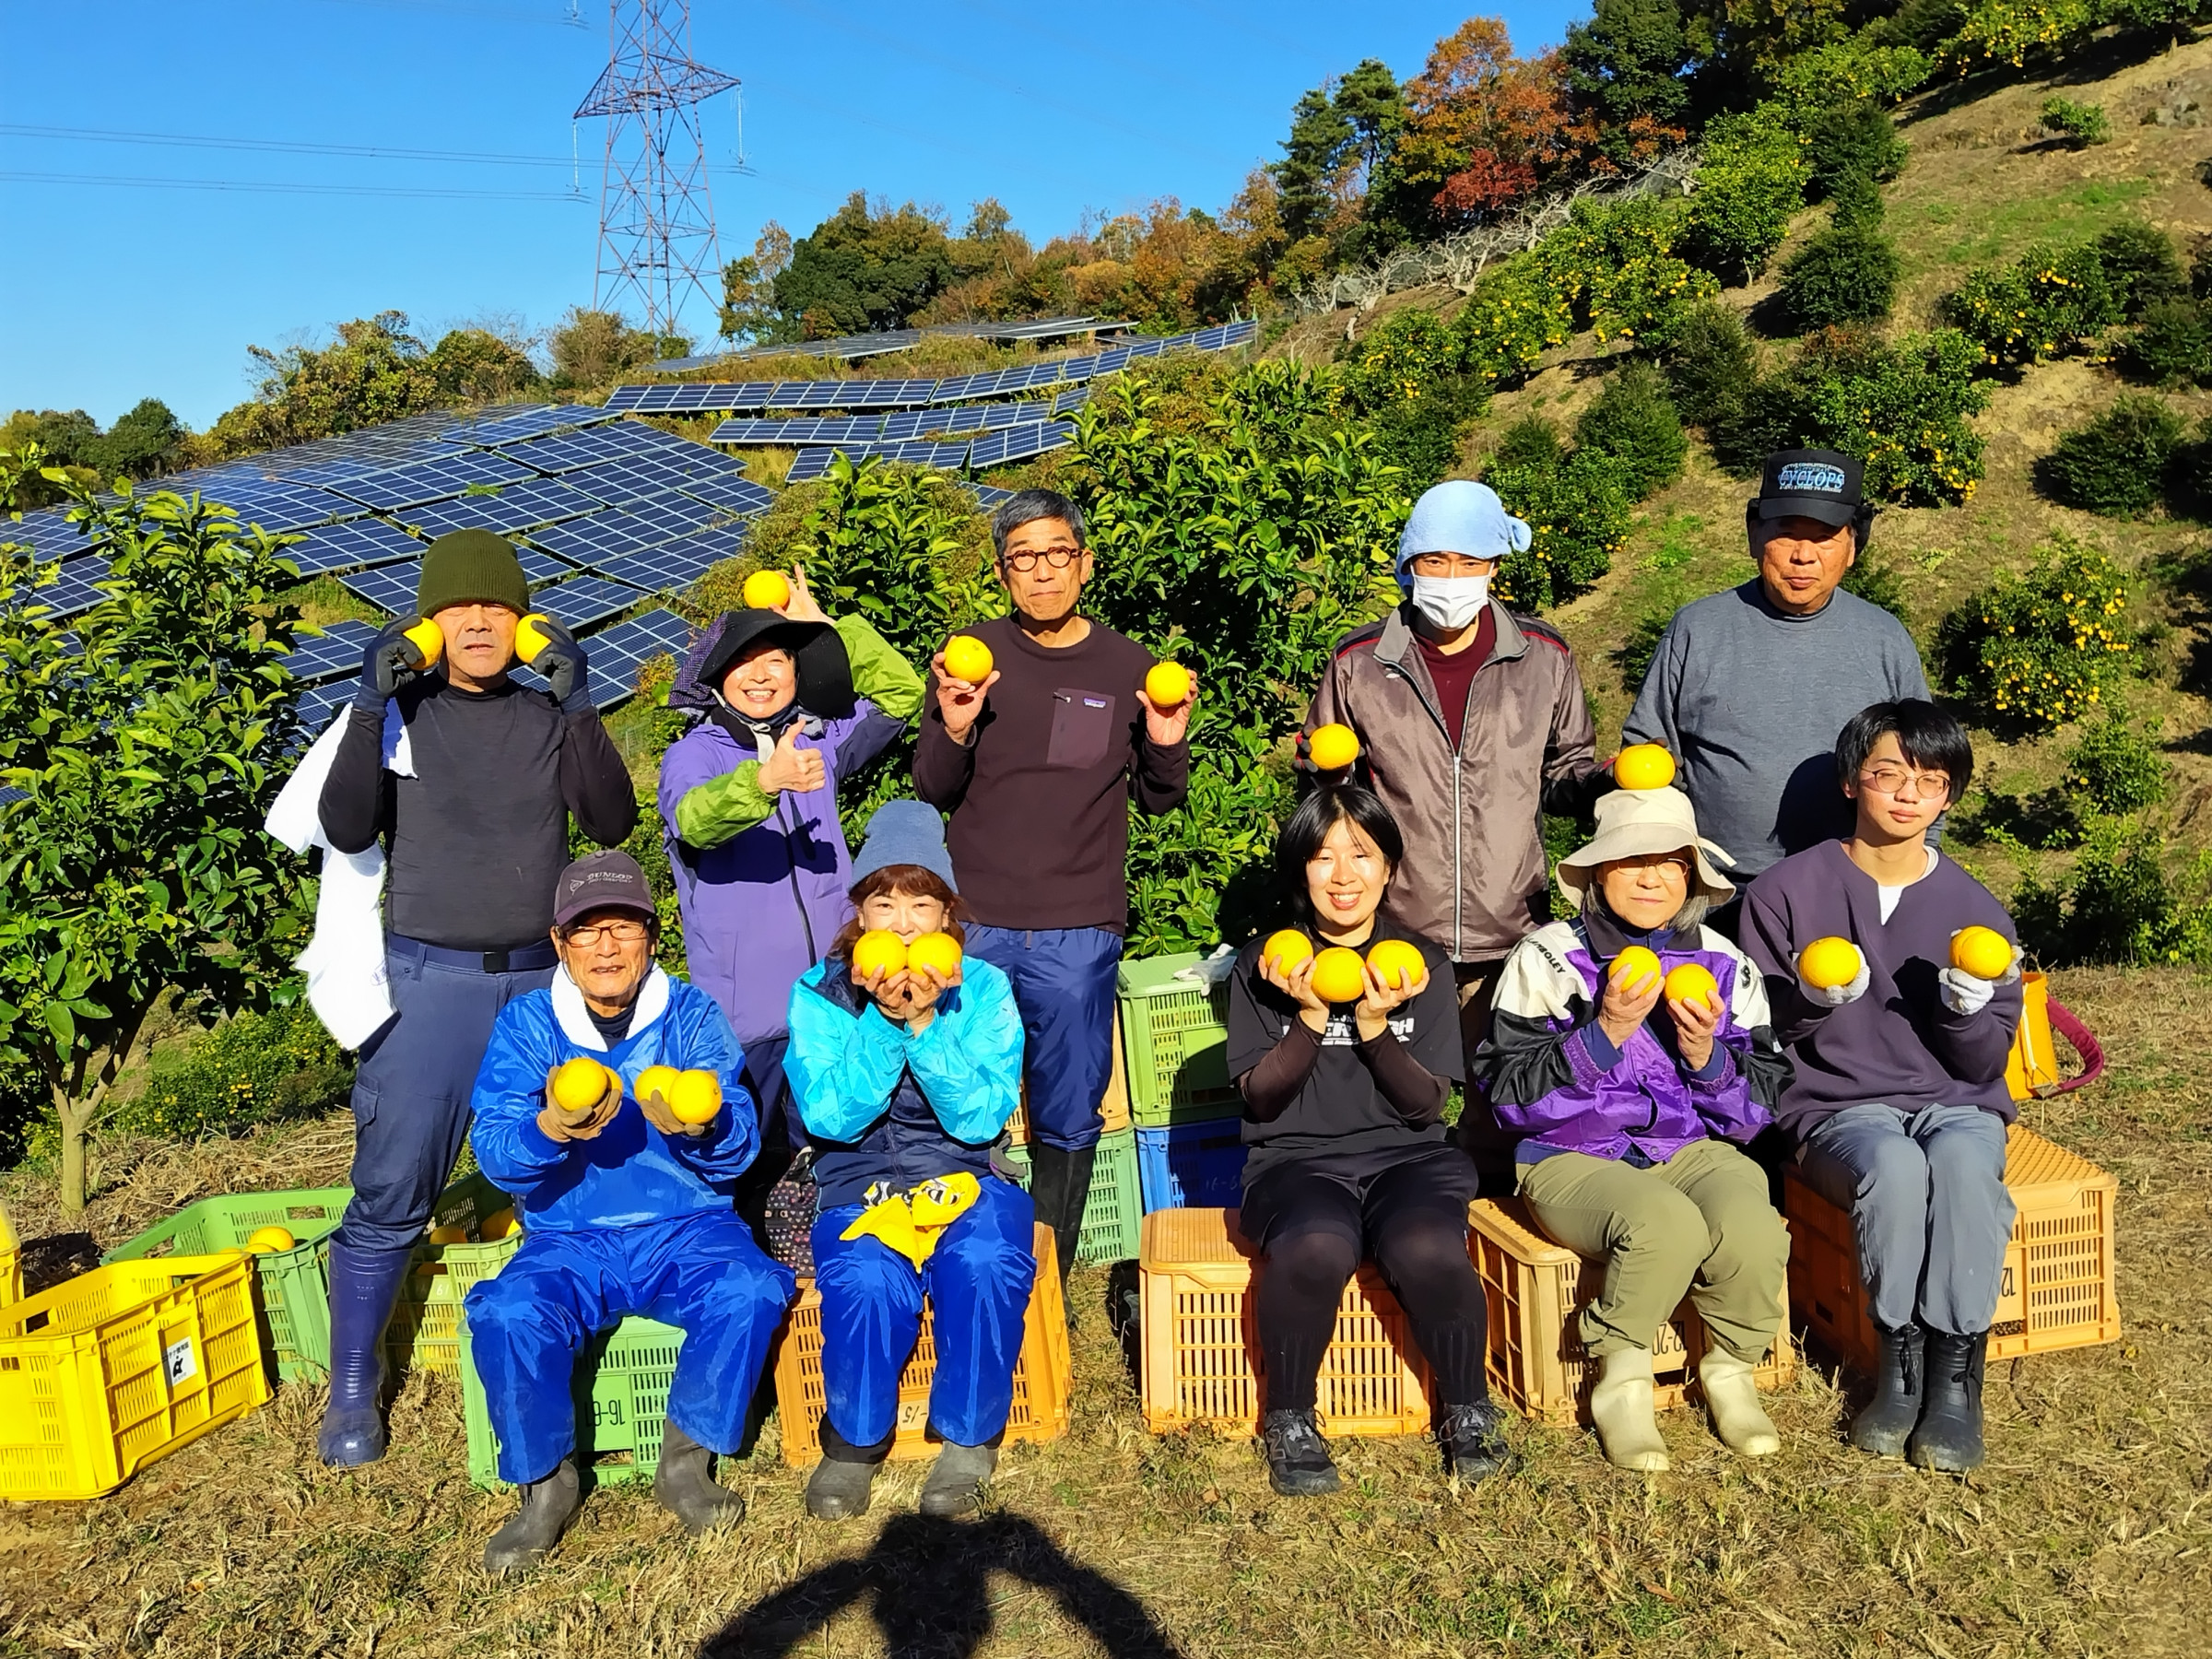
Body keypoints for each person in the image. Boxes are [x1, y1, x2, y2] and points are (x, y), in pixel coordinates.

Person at [314, 528, 637, 1465]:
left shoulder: (545, 717)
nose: (480, 621)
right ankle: (352, 1389)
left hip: (542, 985)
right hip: (428, 986)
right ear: (430, 621)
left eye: (499, 606)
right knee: (394, 1185)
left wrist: (578, 702)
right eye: (460, 607)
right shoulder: (401, 713)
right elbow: (344, 824)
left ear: (526, 621)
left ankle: (565, 1358)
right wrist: (370, 699)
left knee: (571, 1173)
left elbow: (611, 822)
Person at [463, 851, 795, 1572]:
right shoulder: (527, 1026)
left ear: (651, 937)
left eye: (622, 926)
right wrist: (548, 1126)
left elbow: (737, 1140)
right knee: (506, 1311)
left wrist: (702, 1129)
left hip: (688, 1227)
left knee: (750, 1288)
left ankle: (686, 1458)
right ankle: (546, 1485)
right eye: (586, 930)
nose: (605, 945)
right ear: (559, 944)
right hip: (569, 1235)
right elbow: (492, 1149)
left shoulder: (693, 1015)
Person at [912, 488, 1194, 1300]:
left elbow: (1160, 798)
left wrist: (1167, 744)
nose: (1042, 572)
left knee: (1069, 1108)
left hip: (1079, 928)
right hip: (976, 927)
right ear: (1003, 574)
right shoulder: (971, 656)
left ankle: (1043, 1277)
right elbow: (933, 784)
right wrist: (956, 721)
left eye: (1056, 554)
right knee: (958, 1097)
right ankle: (959, 1264)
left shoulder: (1129, 666)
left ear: (1086, 563)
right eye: (1023, 558)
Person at [1742, 700, 2023, 1472]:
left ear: (1948, 799)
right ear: (1850, 782)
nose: (1907, 794)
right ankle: (1897, 1366)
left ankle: (1956, 1377)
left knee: (1965, 1167)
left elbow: (1982, 1066)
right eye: (1888, 774)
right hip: (1836, 1107)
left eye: (1930, 781)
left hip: (1955, 1103)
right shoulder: (1784, 893)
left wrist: (1965, 1010)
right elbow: (1760, 1037)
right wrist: (1809, 1001)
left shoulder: (1975, 909)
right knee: (1894, 1169)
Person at [1477, 786, 1793, 1471]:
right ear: (1596, 873)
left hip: (1686, 1147)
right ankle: (1622, 1383)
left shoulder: (1724, 963)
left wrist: (1707, 1057)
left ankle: (1730, 1368)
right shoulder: (1549, 959)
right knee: (1664, 1223)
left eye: (1670, 863)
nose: (1651, 878)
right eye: (1630, 860)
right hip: (1568, 1155)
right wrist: (1608, 1031)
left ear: (1691, 877)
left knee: (1750, 1216)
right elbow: (1507, 1097)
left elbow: (1755, 1114)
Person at [1302, 478, 1602, 1182]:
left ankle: (1495, 1240)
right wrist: (1318, 772)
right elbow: (1329, 796)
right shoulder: (1360, 662)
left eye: (1470, 562)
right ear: (1408, 567)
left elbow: (1564, 775)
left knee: (1503, 1104)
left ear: (1496, 566)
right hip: (1401, 926)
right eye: (1434, 562)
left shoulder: (1543, 657)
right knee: (1405, 1100)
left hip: (1510, 923)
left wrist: (1602, 782)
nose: (1453, 579)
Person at [1226, 784, 1515, 1497]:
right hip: (1293, 1163)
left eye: (1362, 854)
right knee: (1316, 1242)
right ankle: (1289, 1417)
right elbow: (1260, 1098)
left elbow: (1427, 1106)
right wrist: (1309, 1017)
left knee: (1427, 1244)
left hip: (1410, 1159)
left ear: (1389, 868)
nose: (1343, 875)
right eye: (1323, 858)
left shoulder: (1419, 966)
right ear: (1300, 872)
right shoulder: (1266, 967)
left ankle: (1468, 1407)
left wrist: (1377, 1028)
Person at [784, 801, 1034, 1522]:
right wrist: (879, 1021)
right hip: (858, 1183)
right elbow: (831, 1116)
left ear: (947, 915)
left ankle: (968, 1436)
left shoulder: (982, 988)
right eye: (883, 902)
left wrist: (924, 1025)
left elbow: (983, 1114)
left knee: (985, 1262)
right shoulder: (819, 992)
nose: (901, 922)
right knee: (864, 1277)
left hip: (968, 1174)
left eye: (921, 904)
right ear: (859, 912)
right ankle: (854, 1443)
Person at [657, 564, 925, 1163]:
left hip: (832, 998)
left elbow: (901, 695)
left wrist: (831, 631)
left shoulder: (816, 739)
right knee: (742, 1166)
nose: (761, 674)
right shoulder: (691, 755)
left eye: (777, 658)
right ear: (718, 677)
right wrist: (763, 782)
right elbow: (694, 819)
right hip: (747, 1016)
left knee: (834, 1158)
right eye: (744, 662)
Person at [1624, 450, 1932, 901]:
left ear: (1852, 548)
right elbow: (1647, 757)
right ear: (1754, 536)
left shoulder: (1885, 639)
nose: (1803, 556)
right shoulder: (1698, 629)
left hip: (1850, 887)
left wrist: (1913, 877)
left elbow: (1926, 765)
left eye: (1825, 538)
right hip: (1717, 891)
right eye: (1786, 535)